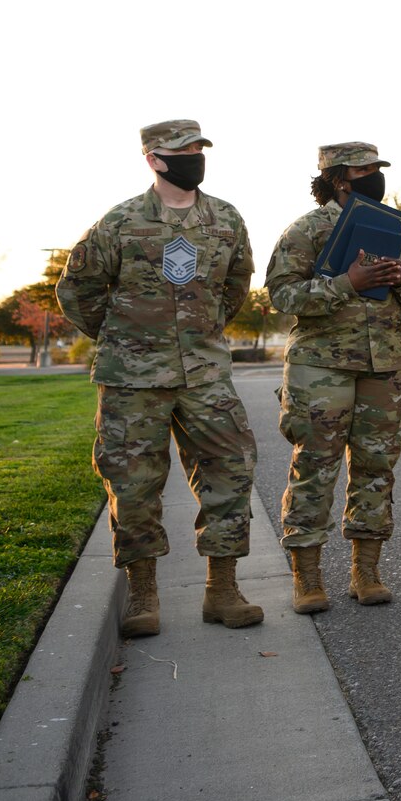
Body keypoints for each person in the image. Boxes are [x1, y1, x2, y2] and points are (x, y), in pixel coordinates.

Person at [56, 119, 264, 635]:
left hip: (204, 373)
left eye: (198, 148)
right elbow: (77, 289)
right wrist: (123, 336)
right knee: (133, 484)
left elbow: (237, 282)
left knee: (230, 472)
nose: (194, 156)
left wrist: (204, 328)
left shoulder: (225, 218)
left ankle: (222, 589)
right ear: (153, 158)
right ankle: (144, 596)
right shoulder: (120, 222)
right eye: (182, 150)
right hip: (132, 377)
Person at [265, 142, 401, 611]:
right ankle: (308, 575)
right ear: (339, 178)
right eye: (364, 170)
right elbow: (282, 296)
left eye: (376, 169)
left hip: (386, 366)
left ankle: (366, 569)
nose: (374, 177)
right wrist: (347, 284)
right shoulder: (307, 229)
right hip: (320, 367)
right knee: (315, 466)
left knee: (376, 468)